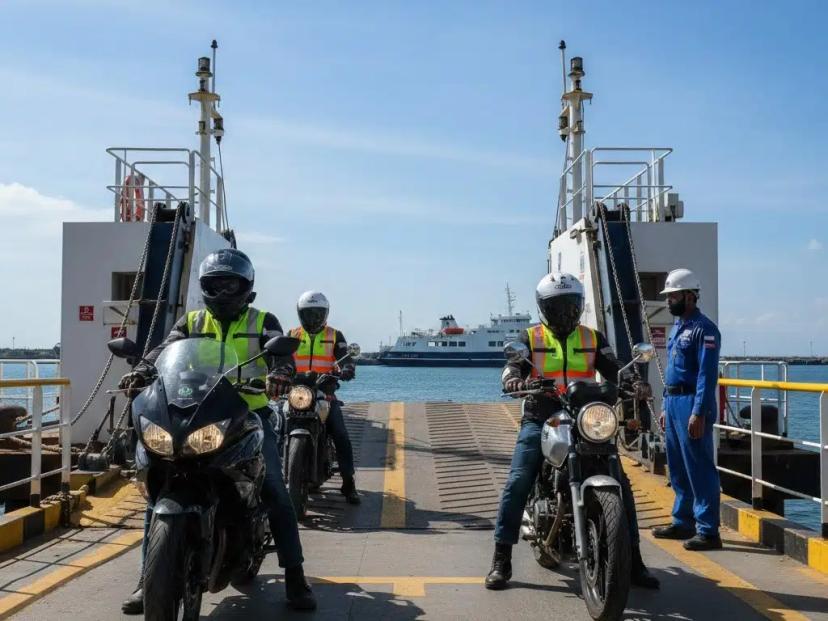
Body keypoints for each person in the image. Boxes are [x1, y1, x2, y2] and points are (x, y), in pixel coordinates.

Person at [119, 248, 316, 614]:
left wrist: (281, 375)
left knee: (274, 488)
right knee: (157, 487)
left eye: (231, 284)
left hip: (247, 417)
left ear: (246, 288)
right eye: (216, 284)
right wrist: (142, 370)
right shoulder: (191, 322)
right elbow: (164, 350)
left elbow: (282, 355)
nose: (224, 292)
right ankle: (148, 580)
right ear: (205, 287)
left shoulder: (263, 320)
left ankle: (295, 575)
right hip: (196, 413)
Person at [485, 272, 659, 590]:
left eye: (570, 305)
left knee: (621, 482)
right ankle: (501, 559)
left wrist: (634, 383)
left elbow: (614, 367)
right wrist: (515, 381)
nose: (565, 312)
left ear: (579, 306)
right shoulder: (531, 338)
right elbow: (512, 367)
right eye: (557, 306)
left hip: (584, 418)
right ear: (543, 308)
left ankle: (633, 560)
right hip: (542, 417)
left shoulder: (592, 339)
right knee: (519, 480)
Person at [652, 268, 722, 551]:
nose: (669, 301)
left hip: (693, 403)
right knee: (678, 467)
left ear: (690, 296)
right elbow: (673, 371)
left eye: (673, 296)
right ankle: (683, 522)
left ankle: (708, 530)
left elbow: (706, 374)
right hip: (674, 402)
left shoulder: (704, 330)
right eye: (668, 296)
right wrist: (665, 405)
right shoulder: (679, 327)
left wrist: (699, 412)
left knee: (699, 468)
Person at [284, 290, 360, 504]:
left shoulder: (335, 335)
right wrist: (276, 373)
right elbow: (280, 359)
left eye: (318, 313)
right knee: (274, 426)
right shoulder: (292, 334)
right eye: (309, 314)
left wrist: (347, 369)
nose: (313, 318)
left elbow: (345, 358)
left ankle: (349, 481)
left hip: (324, 393)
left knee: (340, 433)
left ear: (326, 313)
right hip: (296, 392)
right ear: (300, 314)